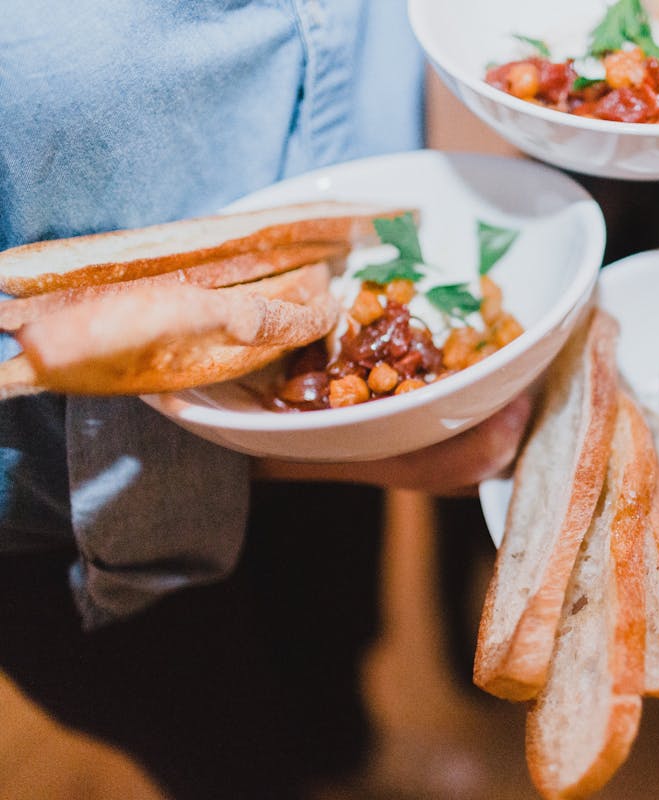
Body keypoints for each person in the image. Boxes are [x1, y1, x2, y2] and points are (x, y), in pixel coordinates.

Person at [0, 2, 530, 798]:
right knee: (225, 754)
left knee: (339, 659)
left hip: (344, 394)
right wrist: (272, 442)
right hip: (90, 531)